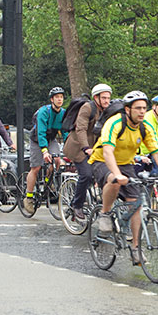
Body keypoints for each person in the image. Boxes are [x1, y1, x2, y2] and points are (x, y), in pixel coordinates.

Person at [88, 90, 158, 265]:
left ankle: (135, 248)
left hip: (126, 164)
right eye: (138, 108)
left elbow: (156, 151)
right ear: (127, 110)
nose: (142, 112)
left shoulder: (145, 127)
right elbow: (108, 151)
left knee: (137, 204)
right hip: (101, 160)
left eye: (144, 108)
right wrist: (117, 175)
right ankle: (105, 214)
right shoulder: (115, 123)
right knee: (113, 180)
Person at [62, 83, 112, 219]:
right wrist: (85, 147)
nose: (107, 101)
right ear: (96, 98)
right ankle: (77, 205)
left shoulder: (107, 111)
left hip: (95, 149)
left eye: (108, 98)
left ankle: (103, 204)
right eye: (104, 98)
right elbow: (81, 129)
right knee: (87, 175)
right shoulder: (87, 108)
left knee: (107, 173)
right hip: (78, 147)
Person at [23, 87, 68, 213]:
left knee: (57, 160)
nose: (60, 99)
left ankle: (48, 183)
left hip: (51, 138)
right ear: (52, 99)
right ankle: (29, 197)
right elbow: (41, 132)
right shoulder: (44, 111)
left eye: (61, 97)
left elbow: (65, 131)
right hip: (37, 139)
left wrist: (69, 144)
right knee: (36, 168)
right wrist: (44, 151)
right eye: (57, 97)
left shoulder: (63, 113)